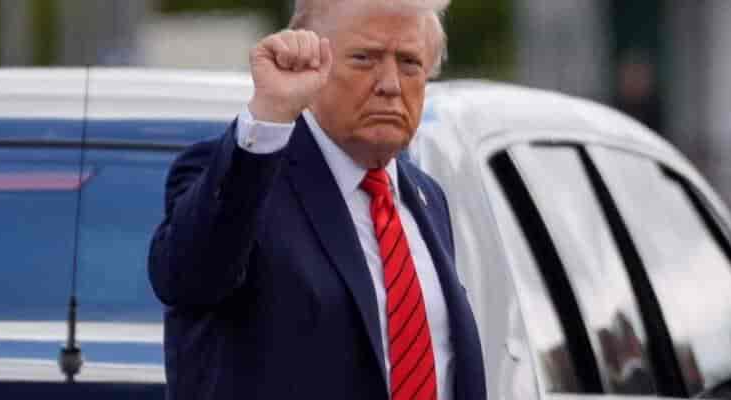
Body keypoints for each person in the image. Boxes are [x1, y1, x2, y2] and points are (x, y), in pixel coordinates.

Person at [147, 0, 486, 399]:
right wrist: (270, 113)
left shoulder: (427, 197)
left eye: (410, 62)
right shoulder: (247, 178)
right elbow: (188, 278)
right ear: (308, 66)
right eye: (364, 59)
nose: (390, 84)